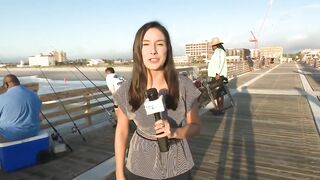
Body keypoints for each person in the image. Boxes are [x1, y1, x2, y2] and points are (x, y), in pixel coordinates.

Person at [113, 21, 201, 179]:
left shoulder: (184, 85)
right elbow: (121, 131)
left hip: (177, 163)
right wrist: (119, 173)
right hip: (140, 163)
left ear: (168, 49)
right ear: (138, 50)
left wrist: (174, 132)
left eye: (159, 44)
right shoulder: (126, 90)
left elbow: (195, 127)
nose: (153, 51)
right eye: (146, 44)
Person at [0, 74, 41, 142]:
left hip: (11, 135)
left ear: (6, 84)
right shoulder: (34, 94)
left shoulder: (2, 98)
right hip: (33, 132)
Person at [207, 37, 228, 115]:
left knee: (219, 93)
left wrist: (218, 73)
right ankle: (218, 108)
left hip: (218, 76)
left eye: (213, 45)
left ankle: (220, 109)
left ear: (216, 45)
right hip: (216, 75)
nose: (212, 47)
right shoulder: (218, 51)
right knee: (217, 93)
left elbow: (221, 62)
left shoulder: (219, 51)